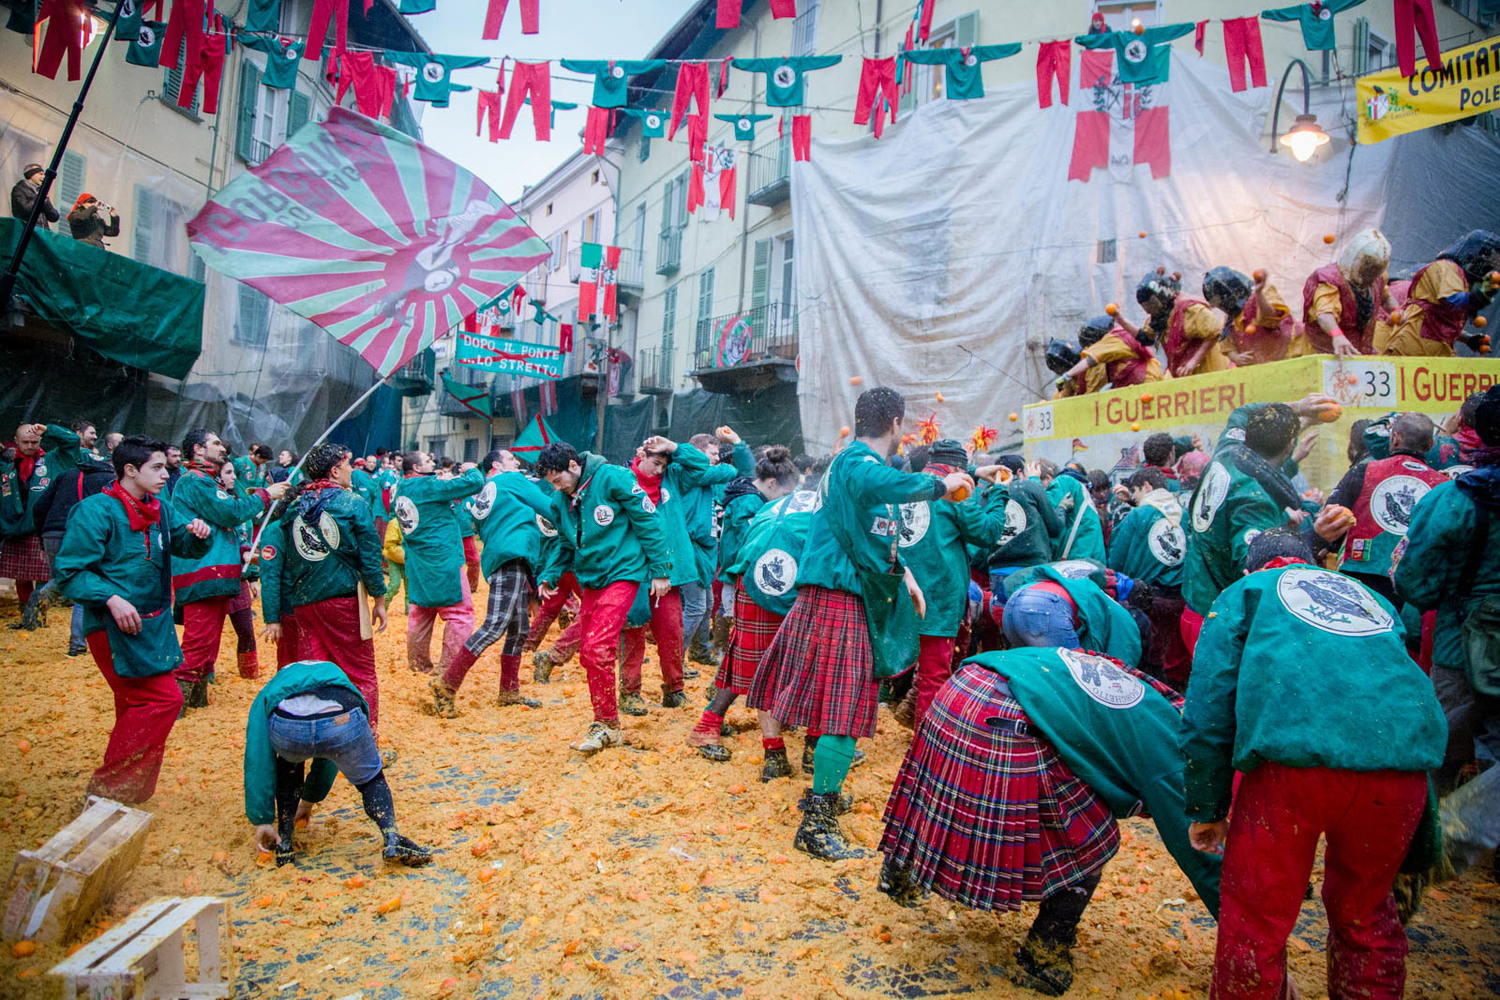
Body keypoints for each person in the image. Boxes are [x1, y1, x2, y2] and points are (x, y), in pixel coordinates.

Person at [1182, 530, 1446, 1000]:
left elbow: (1208, 706)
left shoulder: (1244, 593)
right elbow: (1408, 685)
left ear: (1251, 568)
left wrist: (1207, 806)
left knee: (1256, 918)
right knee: (1367, 915)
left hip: (1292, 767)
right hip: (1398, 768)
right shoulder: (1369, 597)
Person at [880, 645, 1220, 997]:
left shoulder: (1138, 684)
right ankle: (1044, 954)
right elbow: (1195, 845)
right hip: (1004, 716)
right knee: (1089, 839)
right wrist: (1240, 924)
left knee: (934, 793)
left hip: (961, 689)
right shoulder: (1174, 749)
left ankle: (897, 876)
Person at [756, 387, 972, 860]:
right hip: (838, 593)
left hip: (844, 590)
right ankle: (817, 822)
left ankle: (822, 792)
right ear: (896, 423)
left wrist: (906, 574)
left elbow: (873, 534)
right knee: (844, 709)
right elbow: (894, 489)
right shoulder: (858, 464)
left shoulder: (853, 466)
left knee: (843, 705)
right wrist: (944, 483)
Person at [51, 436, 211, 804]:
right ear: (129, 470)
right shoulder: (96, 510)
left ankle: (130, 793)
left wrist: (198, 537)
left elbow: (179, 546)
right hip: (110, 626)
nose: (165, 474)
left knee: (131, 703)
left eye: (165, 467)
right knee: (162, 700)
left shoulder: (160, 508)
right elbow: (70, 572)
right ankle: (109, 788)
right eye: (156, 467)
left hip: (152, 623)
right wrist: (110, 597)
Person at [1394, 385, 1500, 790]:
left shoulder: (1452, 499)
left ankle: (1442, 839)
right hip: (1467, 640)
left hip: (1462, 646)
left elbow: (1413, 581)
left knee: (1444, 751)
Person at [534, 441, 670, 755]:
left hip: (623, 572)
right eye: (551, 484)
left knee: (598, 646)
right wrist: (549, 574)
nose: (557, 488)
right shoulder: (559, 501)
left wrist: (661, 568)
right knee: (587, 652)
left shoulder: (613, 477)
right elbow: (565, 544)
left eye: (558, 480)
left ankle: (607, 724)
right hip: (591, 577)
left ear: (572, 465)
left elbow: (649, 521)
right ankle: (606, 720)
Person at [1180, 397, 1339, 655]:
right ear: (1288, 446)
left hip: (1195, 601)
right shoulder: (1255, 501)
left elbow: (1243, 411)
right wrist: (1314, 536)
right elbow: (1259, 567)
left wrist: (1298, 407)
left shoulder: (1228, 447)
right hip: (1219, 621)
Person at [244, 659, 431, 867]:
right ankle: (391, 836)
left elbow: (257, 753)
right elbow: (332, 753)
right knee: (371, 779)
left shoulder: (273, 686)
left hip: (289, 727)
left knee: (289, 762)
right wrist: (310, 799)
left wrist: (262, 818)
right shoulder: (336, 675)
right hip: (341, 719)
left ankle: (285, 842)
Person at [684, 446, 802, 760]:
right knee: (749, 663)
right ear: (774, 484)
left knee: (744, 661)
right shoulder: (752, 504)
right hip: (754, 586)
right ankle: (710, 725)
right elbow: (750, 551)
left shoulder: (754, 499)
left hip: (754, 587)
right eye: (787, 494)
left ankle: (713, 722)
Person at [259, 444, 388, 724]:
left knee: (313, 673)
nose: (352, 469)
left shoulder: (292, 509)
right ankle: (365, 741)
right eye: (348, 464)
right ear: (335, 470)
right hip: (342, 601)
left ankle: (316, 737)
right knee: (359, 671)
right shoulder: (352, 503)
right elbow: (369, 556)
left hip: (303, 604)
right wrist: (379, 599)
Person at [892, 440, 1009, 731]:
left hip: (899, 591)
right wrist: (999, 494)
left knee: (881, 669)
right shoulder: (956, 492)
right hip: (937, 596)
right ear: (957, 468)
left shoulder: (908, 483)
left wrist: (977, 471)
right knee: (934, 675)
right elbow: (988, 532)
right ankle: (927, 745)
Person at [431, 449, 555, 717]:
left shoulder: (484, 493)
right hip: (513, 554)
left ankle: (509, 691)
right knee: (495, 625)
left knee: (519, 628)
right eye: (512, 459)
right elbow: (549, 508)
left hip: (502, 556)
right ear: (498, 465)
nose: (517, 463)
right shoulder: (510, 479)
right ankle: (447, 685)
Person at [170, 429, 284, 712]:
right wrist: (265, 495)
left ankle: (197, 700)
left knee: (208, 645)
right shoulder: (194, 481)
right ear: (197, 449)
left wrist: (244, 553)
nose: (223, 448)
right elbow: (230, 514)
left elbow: (225, 527)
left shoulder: (207, 481)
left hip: (218, 572)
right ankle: (176, 706)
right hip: (202, 572)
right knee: (198, 644)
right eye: (216, 443)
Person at [616, 435, 727, 712]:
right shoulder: (621, 480)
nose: (658, 470)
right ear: (640, 456)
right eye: (655, 463)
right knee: (632, 632)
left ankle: (674, 689)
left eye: (664, 465)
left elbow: (701, 464)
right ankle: (630, 692)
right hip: (633, 571)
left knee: (671, 631)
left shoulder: (674, 478)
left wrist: (673, 448)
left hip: (668, 572)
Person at [1319, 412, 1446, 605]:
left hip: (1361, 577)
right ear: (1430, 445)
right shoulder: (1443, 485)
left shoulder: (1364, 470)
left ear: (1394, 438)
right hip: (1416, 584)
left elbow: (1332, 516)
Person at [395, 452, 482, 678]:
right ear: (416, 467)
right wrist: (469, 468)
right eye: (427, 461)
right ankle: (447, 670)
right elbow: (475, 483)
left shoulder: (402, 488)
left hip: (417, 561)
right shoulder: (429, 486)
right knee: (460, 614)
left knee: (420, 612)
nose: (432, 463)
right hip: (442, 560)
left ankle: (417, 666)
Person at [21, 451, 115, 646]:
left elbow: (39, 506)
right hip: (79, 532)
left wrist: (41, 537)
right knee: (84, 582)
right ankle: (78, 643)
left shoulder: (65, 475)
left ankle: (44, 593)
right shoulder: (109, 479)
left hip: (51, 532)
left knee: (64, 577)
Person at [679, 429, 755, 668]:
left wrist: (739, 444)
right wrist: (736, 444)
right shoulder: (689, 473)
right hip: (689, 549)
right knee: (695, 608)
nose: (717, 458)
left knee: (707, 606)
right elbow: (731, 470)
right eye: (712, 453)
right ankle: (672, 661)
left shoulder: (713, 483)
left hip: (707, 552)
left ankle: (699, 652)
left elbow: (746, 472)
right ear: (697, 454)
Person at [1107, 467, 1189, 686]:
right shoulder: (1183, 511)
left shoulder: (1138, 515)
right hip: (1177, 600)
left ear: (1147, 487)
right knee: (1169, 659)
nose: (1133, 497)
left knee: (1147, 664)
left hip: (1146, 599)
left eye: (1135, 491)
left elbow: (1116, 556)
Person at [1380, 230, 1500, 358]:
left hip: (1427, 349)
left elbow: (1436, 320)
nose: (1490, 270)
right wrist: (1476, 297)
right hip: (1410, 347)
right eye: (1489, 265)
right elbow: (1451, 302)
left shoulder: (1454, 277)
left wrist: (1467, 338)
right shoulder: (1446, 269)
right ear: (1477, 258)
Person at [1301, 228, 1397, 357]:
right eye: (1367, 267)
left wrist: (1396, 310)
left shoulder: (1378, 278)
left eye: (1374, 270)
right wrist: (1337, 336)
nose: (1369, 274)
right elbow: (1324, 314)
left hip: (1360, 354)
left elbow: (1385, 297)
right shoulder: (1329, 280)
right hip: (1325, 354)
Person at [1, 423, 54, 607]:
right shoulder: (6, 465)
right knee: (21, 577)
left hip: (40, 527)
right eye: (25, 442)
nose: (30, 446)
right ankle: (26, 614)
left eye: (34, 442)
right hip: (14, 527)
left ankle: (38, 614)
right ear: (16, 441)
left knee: (42, 575)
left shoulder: (50, 462)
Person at [1136, 270, 1228, 378]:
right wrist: (1119, 318)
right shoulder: (1160, 316)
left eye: (1152, 304)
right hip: (1182, 372)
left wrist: (1193, 362)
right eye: (1145, 307)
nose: (1148, 310)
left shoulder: (1189, 309)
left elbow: (1215, 332)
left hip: (1209, 370)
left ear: (1162, 295)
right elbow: (1144, 337)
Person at [217, 460, 261, 679]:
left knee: (246, 630)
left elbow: (246, 541)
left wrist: (253, 577)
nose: (234, 477)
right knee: (210, 635)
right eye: (228, 473)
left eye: (234, 472)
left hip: (239, 579)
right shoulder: (211, 508)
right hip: (214, 579)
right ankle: (204, 680)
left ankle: (250, 674)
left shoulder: (240, 507)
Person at [1203, 267, 1298, 367]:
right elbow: (1226, 345)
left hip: (1287, 357)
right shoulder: (1230, 317)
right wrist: (1236, 357)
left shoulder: (1264, 292)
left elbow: (1271, 318)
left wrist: (1259, 293)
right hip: (1261, 369)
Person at [1053, 316, 1164, 394]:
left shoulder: (1113, 339)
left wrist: (1067, 375)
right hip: (1143, 380)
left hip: (1144, 382)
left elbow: (1090, 360)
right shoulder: (1122, 333)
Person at [1038, 461, 1106, 564]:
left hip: (1076, 559)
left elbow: (1045, 514)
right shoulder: (1076, 487)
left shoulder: (1062, 482)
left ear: (1047, 478)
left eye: (1040, 482)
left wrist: (1032, 481)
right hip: (1088, 556)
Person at [10, 163, 58, 230]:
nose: (44, 177)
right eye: (40, 174)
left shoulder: (41, 191)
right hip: (26, 231)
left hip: (42, 233)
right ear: (31, 174)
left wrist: (46, 201)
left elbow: (54, 217)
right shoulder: (19, 189)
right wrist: (40, 198)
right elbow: (25, 209)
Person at [381, 517, 408, 614]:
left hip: (407, 559)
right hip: (395, 558)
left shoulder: (414, 522)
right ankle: (382, 607)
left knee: (410, 587)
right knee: (394, 585)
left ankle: (409, 612)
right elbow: (389, 544)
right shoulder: (394, 523)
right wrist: (404, 555)